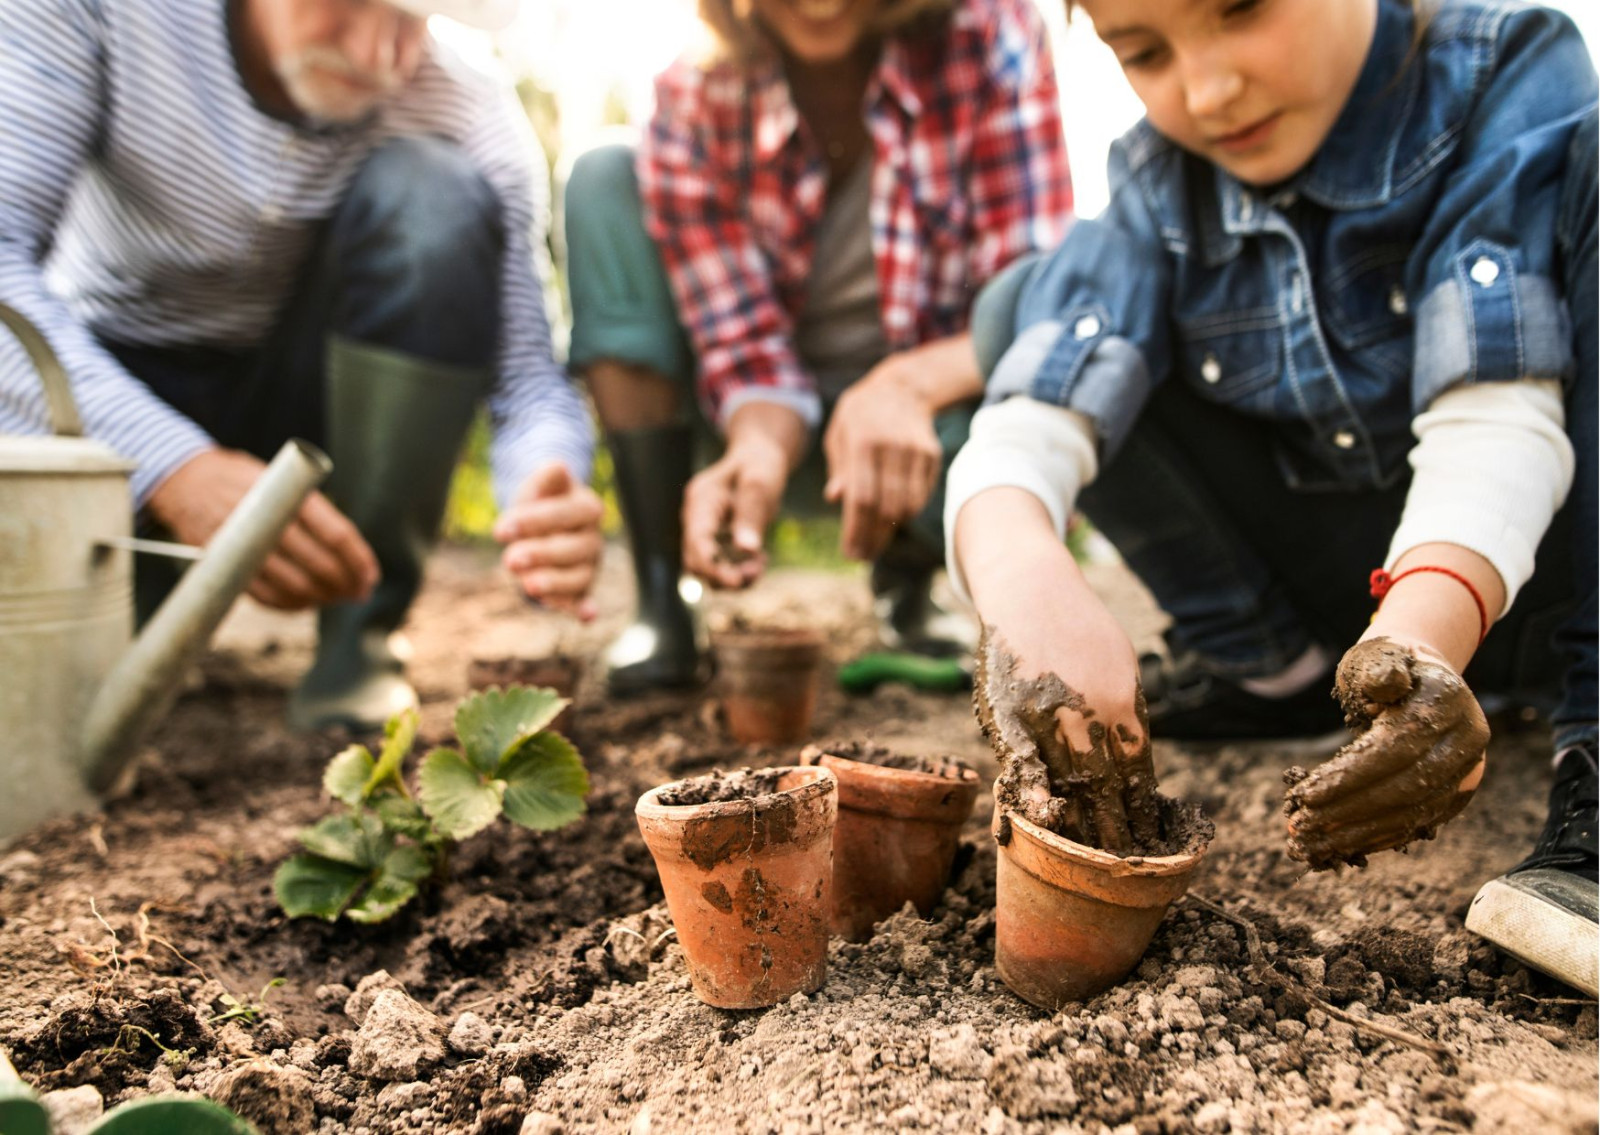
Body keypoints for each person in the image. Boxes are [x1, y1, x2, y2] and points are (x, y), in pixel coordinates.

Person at [951, 0, 1597, 993]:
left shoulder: (1503, 66)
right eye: (1143, 52)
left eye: (1240, 9)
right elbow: (1030, 418)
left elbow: (1497, 414)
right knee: (1022, 309)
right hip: (1351, 610)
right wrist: (1026, 579)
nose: (1206, 91)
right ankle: (1274, 675)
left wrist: (1419, 637)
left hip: (1540, 572)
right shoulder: (1155, 181)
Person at [0, 0, 604, 732]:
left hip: (319, 402)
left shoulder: (464, 103)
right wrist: (171, 465)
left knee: (434, 196)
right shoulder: (97, 13)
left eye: (414, 20)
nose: (382, 55)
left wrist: (545, 480)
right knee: (71, 691)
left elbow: (528, 379)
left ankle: (362, 637)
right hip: (118, 393)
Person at [562, 0, 1073, 694]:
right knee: (603, 175)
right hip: (779, 432)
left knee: (1042, 393)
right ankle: (661, 588)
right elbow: (743, 346)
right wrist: (759, 449)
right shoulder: (693, 95)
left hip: (936, 429)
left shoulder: (992, 35)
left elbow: (1031, 303)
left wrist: (905, 389)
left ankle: (911, 574)